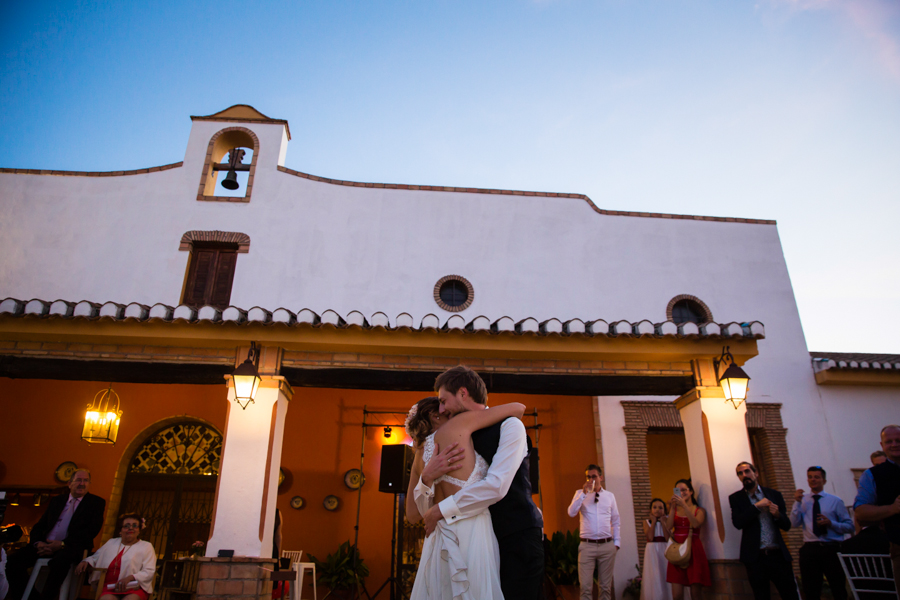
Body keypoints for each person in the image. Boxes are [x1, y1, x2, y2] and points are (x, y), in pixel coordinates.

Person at [419, 366, 545, 600]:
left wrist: (440, 510)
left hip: (518, 536)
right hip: (481, 541)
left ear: (463, 393)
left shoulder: (511, 426)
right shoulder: (460, 434)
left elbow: (496, 485)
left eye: (444, 400)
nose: (442, 409)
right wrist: (426, 477)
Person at [405, 393, 526, 600]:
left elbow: (414, 515)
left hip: (437, 536)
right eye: (443, 406)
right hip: (471, 531)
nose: (449, 411)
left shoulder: (419, 454)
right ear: (435, 415)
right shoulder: (459, 426)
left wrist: (426, 479)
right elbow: (518, 408)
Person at [6, 469, 106, 600]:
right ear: (70, 483)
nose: (82, 484)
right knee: (11, 562)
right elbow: (40, 525)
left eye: (86, 480)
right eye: (78, 480)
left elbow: (91, 531)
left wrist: (63, 544)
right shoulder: (57, 501)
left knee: (60, 562)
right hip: (44, 544)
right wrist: (38, 543)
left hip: (71, 547)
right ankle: (31, 597)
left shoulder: (96, 503)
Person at [728, 461, 798, 600]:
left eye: (747, 471)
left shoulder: (774, 495)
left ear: (756, 473)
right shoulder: (736, 498)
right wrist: (756, 507)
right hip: (756, 557)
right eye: (740, 473)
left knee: (790, 594)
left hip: (777, 555)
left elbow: (787, 525)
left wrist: (778, 515)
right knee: (761, 595)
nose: (744, 475)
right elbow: (738, 523)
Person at [789, 466, 854, 600]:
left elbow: (850, 526)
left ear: (824, 481)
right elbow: (794, 523)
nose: (813, 480)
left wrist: (831, 523)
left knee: (838, 587)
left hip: (831, 547)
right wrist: (796, 502)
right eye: (810, 477)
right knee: (811, 589)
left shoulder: (835, 501)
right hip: (810, 548)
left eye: (816, 477)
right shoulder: (803, 500)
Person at [854, 424, 900, 593]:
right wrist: (893, 508)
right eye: (889, 441)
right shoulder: (872, 475)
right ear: (882, 445)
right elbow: (860, 510)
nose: (894, 444)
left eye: (898, 440)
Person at [567, 465, 620, 600]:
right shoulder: (580, 493)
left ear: (600, 477)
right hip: (587, 546)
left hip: (607, 545)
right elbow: (571, 512)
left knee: (605, 588)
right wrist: (584, 494)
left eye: (594, 476)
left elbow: (615, 520)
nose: (591, 480)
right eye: (588, 477)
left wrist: (616, 543)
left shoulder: (609, 496)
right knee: (585, 587)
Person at [75, 512, 155, 600]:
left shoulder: (146, 546)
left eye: (135, 525)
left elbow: (149, 571)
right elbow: (96, 557)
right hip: (110, 587)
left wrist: (130, 578)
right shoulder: (111, 543)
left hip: (134, 587)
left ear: (139, 530)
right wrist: (86, 561)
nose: (131, 528)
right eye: (126, 526)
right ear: (120, 531)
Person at [665, 479, 710, 600]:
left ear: (690, 492)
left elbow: (696, 524)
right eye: (677, 491)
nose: (681, 493)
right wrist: (673, 508)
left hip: (693, 550)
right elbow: (669, 527)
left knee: (696, 593)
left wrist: (684, 506)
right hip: (677, 550)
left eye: (684, 490)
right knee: (677, 595)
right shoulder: (675, 510)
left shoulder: (699, 510)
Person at [640, 499, 671, 600]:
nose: (657, 510)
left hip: (664, 548)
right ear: (650, 510)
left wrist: (663, 523)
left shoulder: (668, 521)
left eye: (661, 508)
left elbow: (667, 538)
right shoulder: (646, 522)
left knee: (666, 571)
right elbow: (650, 537)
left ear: (665, 510)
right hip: (652, 550)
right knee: (654, 574)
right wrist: (653, 522)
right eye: (654, 507)